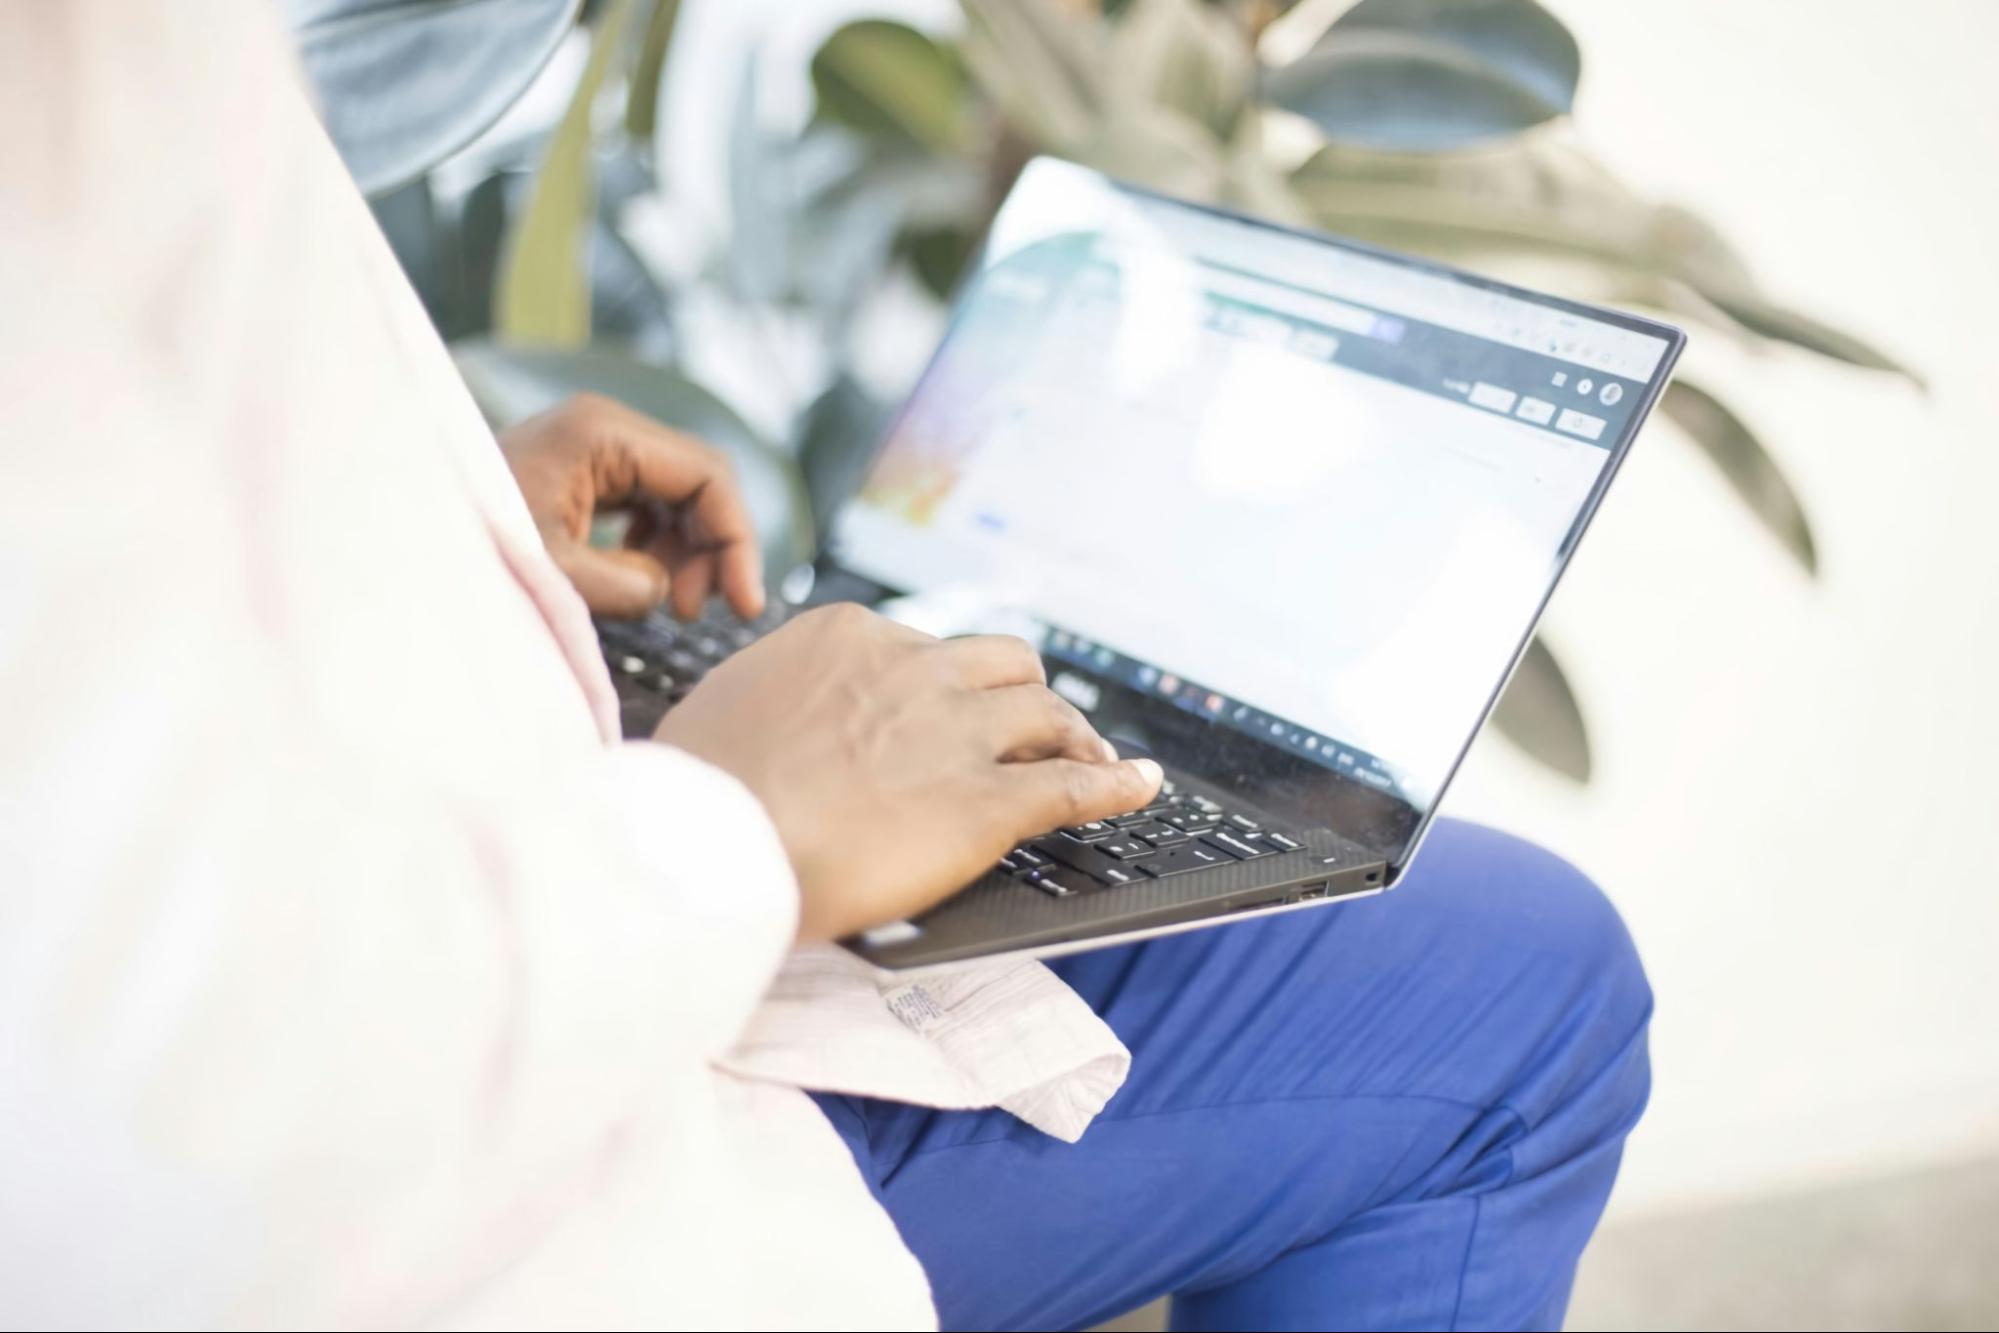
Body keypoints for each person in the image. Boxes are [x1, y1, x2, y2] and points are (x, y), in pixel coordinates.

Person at [0, 4, 1652, 1329]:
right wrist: (738, 825)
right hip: (511, 1186)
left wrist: (417, 522)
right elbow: (142, 1128)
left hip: (487, 917)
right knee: (1527, 981)